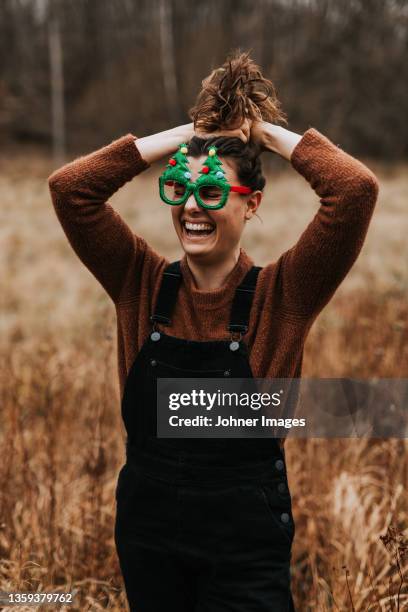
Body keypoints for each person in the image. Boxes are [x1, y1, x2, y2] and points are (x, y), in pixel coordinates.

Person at [48, 53, 379, 611]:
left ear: (252, 205)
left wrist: (260, 133)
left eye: (214, 190)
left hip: (245, 543)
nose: (193, 207)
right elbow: (70, 191)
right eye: (182, 188)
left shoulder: (286, 295)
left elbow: (355, 191)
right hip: (148, 534)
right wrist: (190, 135)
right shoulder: (139, 282)